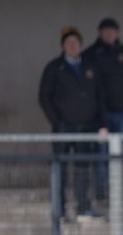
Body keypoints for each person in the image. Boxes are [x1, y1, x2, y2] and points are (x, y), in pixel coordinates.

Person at [38, 26, 107, 221]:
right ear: (63, 47)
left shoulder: (90, 67)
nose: (73, 47)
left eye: (76, 43)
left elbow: (100, 97)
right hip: (63, 129)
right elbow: (44, 97)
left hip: (86, 128)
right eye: (69, 44)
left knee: (82, 169)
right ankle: (59, 211)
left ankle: (83, 208)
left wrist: (101, 124)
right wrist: (57, 121)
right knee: (60, 169)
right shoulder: (54, 68)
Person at [84, 17, 123, 202]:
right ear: (100, 32)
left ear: (117, 32)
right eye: (105, 30)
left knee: (116, 156)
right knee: (101, 156)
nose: (109, 34)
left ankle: (116, 194)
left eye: (112, 30)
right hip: (100, 116)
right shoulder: (91, 54)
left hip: (120, 113)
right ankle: (101, 194)